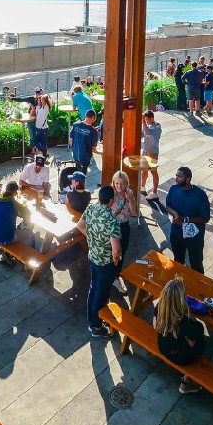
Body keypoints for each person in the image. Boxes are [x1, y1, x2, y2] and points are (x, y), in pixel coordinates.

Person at [77, 185, 122, 339]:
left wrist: (91, 237)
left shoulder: (91, 209)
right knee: (102, 294)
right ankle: (96, 326)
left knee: (93, 287)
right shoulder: (112, 221)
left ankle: (91, 317)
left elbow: (79, 225)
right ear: (111, 200)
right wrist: (116, 260)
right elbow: (116, 249)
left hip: (93, 257)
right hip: (106, 262)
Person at [154, 276, 206, 394]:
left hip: (163, 347)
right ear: (181, 299)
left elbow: (154, 325)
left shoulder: (159, 307)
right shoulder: (189, 324)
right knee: (201, 343)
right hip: (181, 358)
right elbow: (193, 345)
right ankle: (186, 381)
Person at [165, 167, 210, 273]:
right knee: (178, 260)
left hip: (195, 237)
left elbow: (205, 218)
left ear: (188, 179)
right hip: (176, 233)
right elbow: (168, 206)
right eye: (176, 176)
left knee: (196, 263)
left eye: (179, 177)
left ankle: (198, 286)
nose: (176, 179)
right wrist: (175, 214)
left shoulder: (200, 195)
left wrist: (185, 219)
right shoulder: (173, 189)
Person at [109, 170, 137, 295]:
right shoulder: (110, 193)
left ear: (126, 183)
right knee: (111, 252)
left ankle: (116, 277)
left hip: (124, 226)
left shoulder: (129, 193)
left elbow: (133, 213)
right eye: (117, 184)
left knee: (121, 253)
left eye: (122, 184)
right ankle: (110, 275)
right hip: (112, 226)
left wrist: (130, 199)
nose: (119, 187)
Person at [0, 180, 20, 262]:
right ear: (15, 192)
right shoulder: (12, 202)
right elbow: (26, 213)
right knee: (20, 237)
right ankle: (7, 254)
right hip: (4, 239)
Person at [70, 109, 100, 173]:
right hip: (85, 157)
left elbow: (70, 140)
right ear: (93, 118)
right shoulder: (93, 131)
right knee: (82, 175)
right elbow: (94, 146)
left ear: (85, 116)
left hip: (75, 154)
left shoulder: (75, 125)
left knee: (76, 171)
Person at [140, 110, 161, 201]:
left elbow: (148, 132)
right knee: (144, 170)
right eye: (145, 120)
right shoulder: (147, 125)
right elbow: (142, 134)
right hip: (145, 150)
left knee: (153, 171)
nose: (146, 121)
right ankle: (142, 186)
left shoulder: (157, 127)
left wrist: (143, 122)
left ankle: (154, 192)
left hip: (153, 152)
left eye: (147, 120)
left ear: (152, 118)